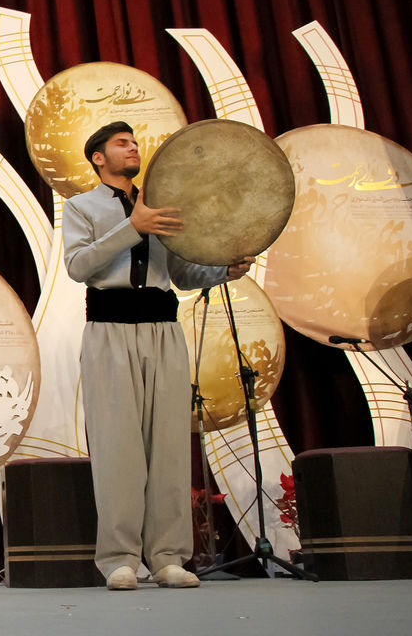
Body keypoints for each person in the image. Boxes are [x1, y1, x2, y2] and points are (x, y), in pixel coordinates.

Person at [62, 121, 252, 591]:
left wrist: (222, 270)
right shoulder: (80, 206)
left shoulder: (164, 205)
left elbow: (183, 274)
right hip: (110, 331)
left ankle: (168, 557)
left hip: (164, 331)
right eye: (121, 144)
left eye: (134, 142)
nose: (133, 148)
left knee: (168, 444)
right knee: (117, 448)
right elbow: (78, 265)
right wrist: (132, 228)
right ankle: (119, 559)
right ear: (98, 158)